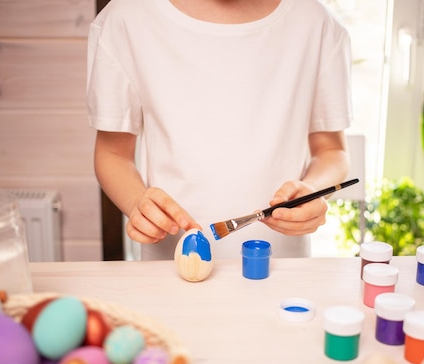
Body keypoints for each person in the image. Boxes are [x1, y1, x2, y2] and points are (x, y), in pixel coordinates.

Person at [87, 0, 353, 260]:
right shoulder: (125, 18)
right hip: (171, 270)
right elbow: (113, 153)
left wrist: (314, 188)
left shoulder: (318, 24)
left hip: (282, 269)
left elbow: (332, 150)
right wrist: (136, 202)